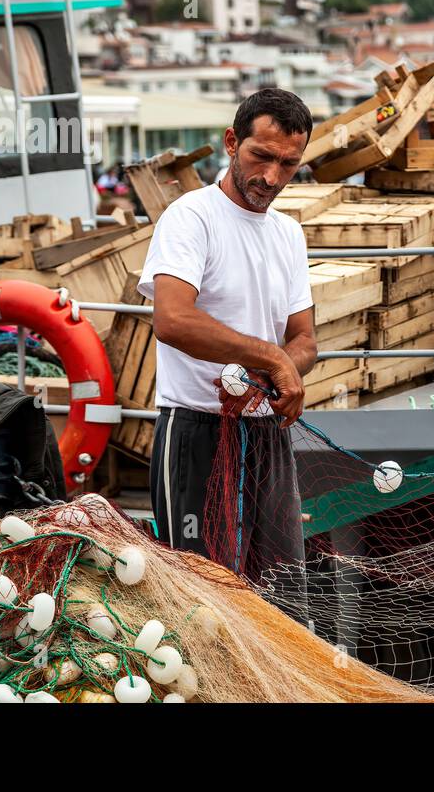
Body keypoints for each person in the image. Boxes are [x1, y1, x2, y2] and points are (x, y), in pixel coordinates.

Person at [138, 88, 317, 619]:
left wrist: (282, 367)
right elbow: (172, 319)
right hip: (194, 432)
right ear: (231, 142)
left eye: (288, 164)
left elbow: (304, 340)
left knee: (283, 601)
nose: (272, 177)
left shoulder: (288, 233)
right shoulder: (190, 218)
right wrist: (273, 358)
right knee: (199, 607)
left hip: (266, 437)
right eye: (260, 156)